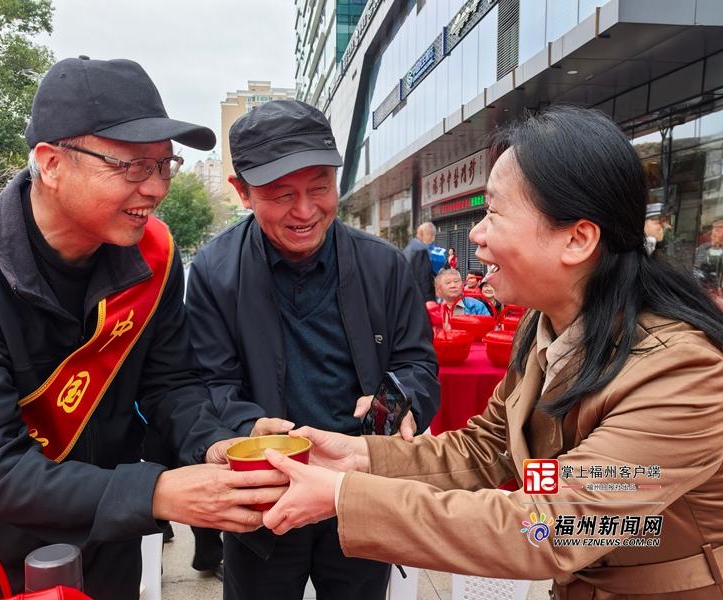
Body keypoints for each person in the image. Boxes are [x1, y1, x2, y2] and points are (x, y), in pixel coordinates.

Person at [258, 106, 723, 599]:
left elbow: (555, 527)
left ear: (577, 239)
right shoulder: (543, 329)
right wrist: (362, 455)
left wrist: (344, 497)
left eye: (494, 213)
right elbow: (488, 448)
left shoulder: (682, 374)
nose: (476, 234)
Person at [0, 57, 286, 599]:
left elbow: (171, 384)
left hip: (108, 532)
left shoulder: (155, 254)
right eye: (133, 167)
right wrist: (157, 492)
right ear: (51, 163)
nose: (156, 188)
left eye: (164, 165)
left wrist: (214, 444)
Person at [183, 99, 439, 600]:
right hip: (265, 495)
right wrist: (247, 427)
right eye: (281, 194)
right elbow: (210, 381)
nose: (304, 211)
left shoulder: (384, 266)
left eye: (320, 187)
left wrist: (403, 398)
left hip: (356, 487)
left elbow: (417, 364)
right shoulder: (215, 272)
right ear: (241, 191)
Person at [402, 222, 437, 301]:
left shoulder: (409, 249)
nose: (433, 240)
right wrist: (428, 300)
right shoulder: (421, 250)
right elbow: (423, 278)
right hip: (420, 299)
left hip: (409, 296)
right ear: (426, 235)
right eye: (432, 236)